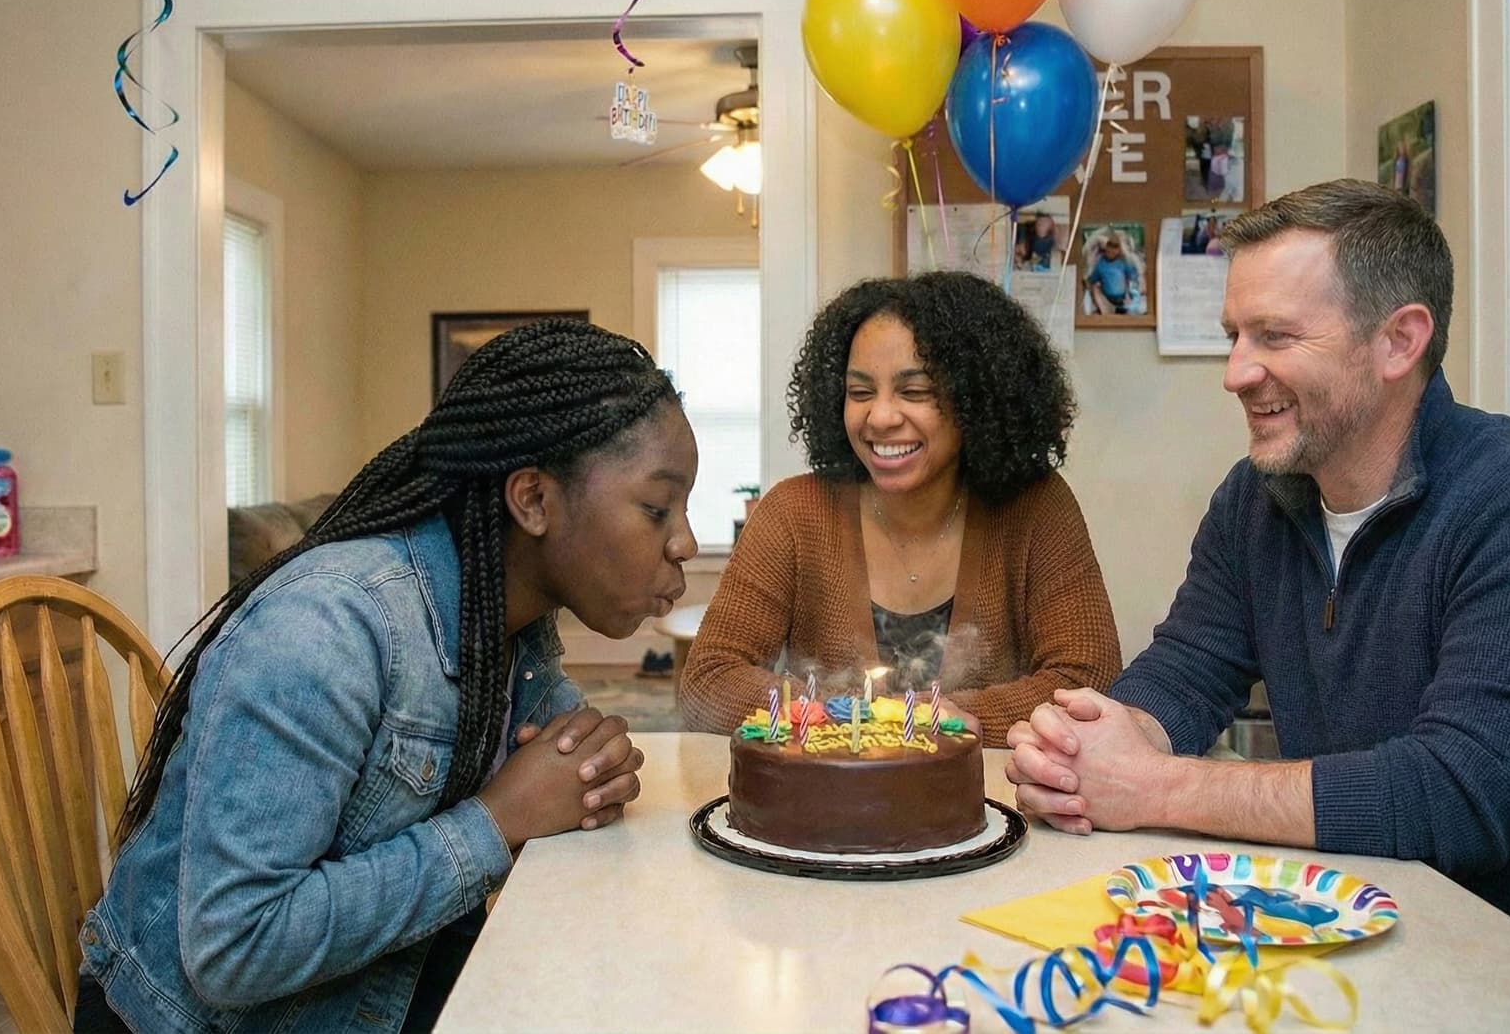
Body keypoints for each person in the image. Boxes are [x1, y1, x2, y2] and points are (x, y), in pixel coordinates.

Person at [1006, 178, 1510, 1012]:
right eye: (1234, 335)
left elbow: (1459, 796)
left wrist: (1153, 785)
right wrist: (1095, 746)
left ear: (1399, 341)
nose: (1237, 371)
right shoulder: (1255, 497)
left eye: (1275, 336)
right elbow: (1185, 671)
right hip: (1364, 951)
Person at [76, 319, 700, 1032]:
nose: (684, 540)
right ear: (532, 500)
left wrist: (593, 765)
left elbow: (560, 766)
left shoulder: (509, 618)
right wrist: (498, 820)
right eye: (657, 508)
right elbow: (233, 946)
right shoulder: (324, 631)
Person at [679, 271, 1121, 744]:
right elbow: (709, 677)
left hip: (992, 803)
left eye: (915, 392)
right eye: (861, 392)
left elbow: (1087, 676)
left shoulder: (1038, 507)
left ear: (977, 400)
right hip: (833, 802)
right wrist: (848, 717)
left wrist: (955, 717)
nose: (881, 417)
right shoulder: (791, 513)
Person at [1084, 232, 1141, 315]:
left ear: (1118, 251)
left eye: (1113, 251)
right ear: (1106, 249)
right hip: (1107, 299)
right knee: (1095, 289)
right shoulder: (1100, 264)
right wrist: (1088, 282)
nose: (1110, 253)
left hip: (1123, 299)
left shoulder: (1124, 262)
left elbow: (1133, 277)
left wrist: (1131, 294)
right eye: (1108, 251)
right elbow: (1093, 279)